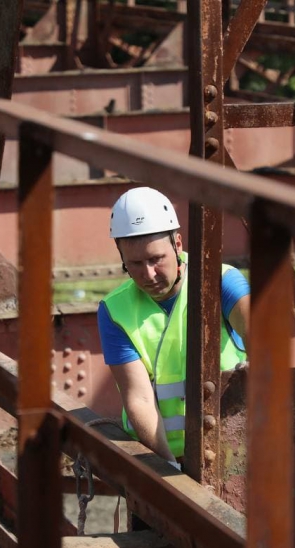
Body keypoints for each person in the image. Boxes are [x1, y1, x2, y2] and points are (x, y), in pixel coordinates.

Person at [97, 187, 250, 469]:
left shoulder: (221, 281)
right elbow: (139, 399)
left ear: (178, 244)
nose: (149, 274)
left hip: (233, 454)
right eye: (135, 264)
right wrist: (169, 469)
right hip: (161, 455)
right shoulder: (114, 311)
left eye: (156, 259)